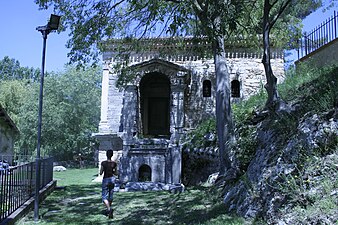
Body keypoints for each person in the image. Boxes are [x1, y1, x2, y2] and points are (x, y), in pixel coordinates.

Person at [100, 150, 117, 218]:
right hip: (112, 179)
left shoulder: (103, 163)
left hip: (106, 179)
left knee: (104, 197)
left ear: (106, 155)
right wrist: (113, 171)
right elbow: (116, 173)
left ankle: (109, 209)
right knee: (110, 195)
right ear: (112, 155)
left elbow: (101, 173)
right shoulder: (114, 163)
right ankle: (109, 209)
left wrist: (103, 170)